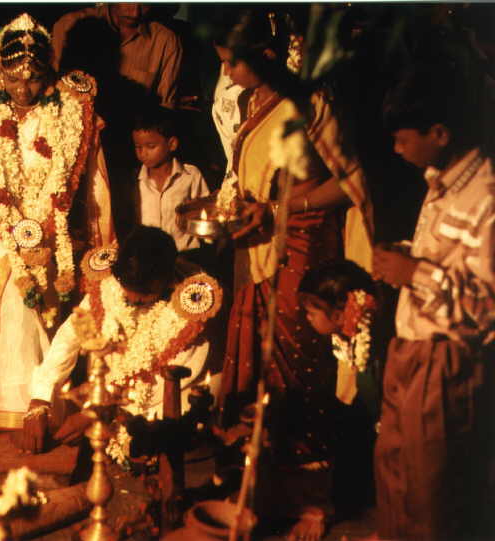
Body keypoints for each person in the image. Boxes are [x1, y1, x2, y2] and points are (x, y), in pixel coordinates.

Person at [213, 11, 374, 541]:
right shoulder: (250, 102)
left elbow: (351, 180)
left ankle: (313, 501)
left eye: (234, 63)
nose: (229, 74)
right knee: (260, 366)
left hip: (303, 249)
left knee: (300, 369)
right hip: (257, 244)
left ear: (264, 54)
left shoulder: (312, 101)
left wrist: (283, 208)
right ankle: (264, 488)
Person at [0, 13, 114, 430]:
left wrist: (94, 236)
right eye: (14, 78)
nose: (24, 89)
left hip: (50, 228)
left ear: (51, 69)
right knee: (18, 302)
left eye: (35, 80)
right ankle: (27, 410)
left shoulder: (71, 111)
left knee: (41, 310)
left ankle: (38, 404)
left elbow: (90, 182)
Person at [371, 64, 494, 541]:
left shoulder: (485, 197)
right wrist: (409, 259)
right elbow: (450, 263)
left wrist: (414, 273)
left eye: (403, 139)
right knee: (396, 475)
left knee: (434, 494)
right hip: (410, 348)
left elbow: (485, 307)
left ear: (439, 132)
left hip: (446, 360)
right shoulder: (440, 182)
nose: (397, 150)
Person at [17, 226, 222, 456]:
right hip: (109, 388)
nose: (132, 304)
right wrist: (39, 400)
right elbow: (70, 337)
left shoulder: (194, 301)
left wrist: (101, 410)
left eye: (142, 301)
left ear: (166, 281)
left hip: (162, 394)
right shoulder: (110, 284)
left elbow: (170, 379)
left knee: (171, 428)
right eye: (128, 297)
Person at [299, 260, 382, 517]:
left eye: (311, 312)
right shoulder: (351, 338)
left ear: (337, 315)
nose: (307, 317)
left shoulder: (377, 351)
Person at [52, 3, 183, 109]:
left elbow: (164, 113)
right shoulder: (68, 25)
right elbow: (48, 93)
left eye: (145, 3)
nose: (135, 12)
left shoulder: (166, 41)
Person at [132, 107, 211, 252]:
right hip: (149, 260)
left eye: (151, 146)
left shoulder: (191, 175)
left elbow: (206, 211)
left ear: (172, 144)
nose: (143, 153)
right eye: (138, 147)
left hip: (186, 255)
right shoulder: (135, 182)